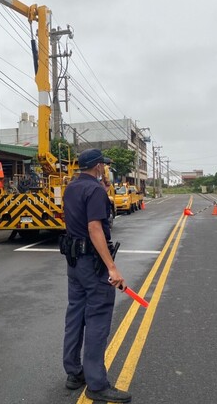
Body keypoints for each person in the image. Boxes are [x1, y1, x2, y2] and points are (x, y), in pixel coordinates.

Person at [61, 148, 132, 403]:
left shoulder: (71, 188)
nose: (106, 168)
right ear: (98, 166)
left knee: (75, 315)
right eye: (104, 165)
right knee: (98, 318)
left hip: (74, 262)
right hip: (92, 264)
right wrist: (111, 267)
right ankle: (97, 384)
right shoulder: (96, 190)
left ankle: (73, 372)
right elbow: (94, 228)